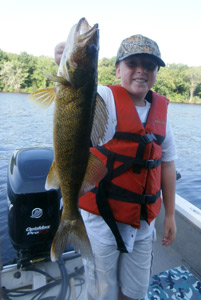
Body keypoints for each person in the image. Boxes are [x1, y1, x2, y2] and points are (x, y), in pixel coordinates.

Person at [55, 34, 177, 300]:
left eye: (150, 65)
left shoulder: (161, 114)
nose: (141, 70)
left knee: (134, 290)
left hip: (143, 223)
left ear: (156, 73)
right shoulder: (103, 97)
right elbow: (76, 93)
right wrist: (63, 61)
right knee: (101, 291)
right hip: (101, 221)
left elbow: (167, 164)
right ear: (117, 69)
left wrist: (169, 215)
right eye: (132, 62)